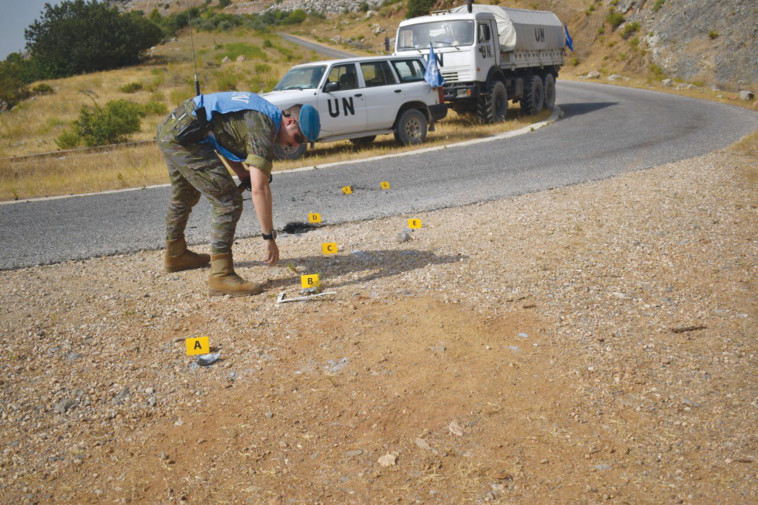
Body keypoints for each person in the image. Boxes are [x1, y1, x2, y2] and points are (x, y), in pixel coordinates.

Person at [156, 91, 320, 297]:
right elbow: (260, 190)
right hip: (186, 137)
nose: (294, 146)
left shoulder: (263, 112)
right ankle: (221, 275)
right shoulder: (265, 126)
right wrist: (269, 237)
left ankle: (175, 254)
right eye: (297, 138)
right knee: (228, 201)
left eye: (301, 143)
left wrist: (241, 172)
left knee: (184, 195)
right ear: (289, 121)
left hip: (174, 130)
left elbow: (221, 139)